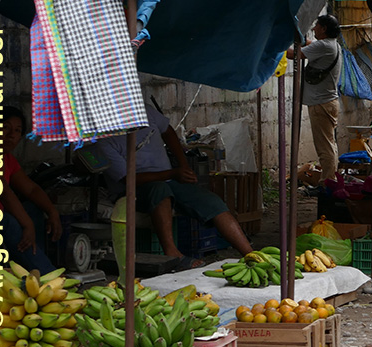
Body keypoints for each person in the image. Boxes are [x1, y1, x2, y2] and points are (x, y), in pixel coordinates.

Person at [96, 100, 254, 269]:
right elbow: (128, 179)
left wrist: (183, 164)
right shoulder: (104, 140)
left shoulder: (145, 111)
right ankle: (172, 253)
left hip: (170, 180)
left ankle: (251, 255)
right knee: (159, 190)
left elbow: (168, 131)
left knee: (211, 202)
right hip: (133, 191)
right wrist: (172, 173)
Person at [0, 106, 60, 273]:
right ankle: (47, 274)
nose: (11, 134)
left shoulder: (6, 158)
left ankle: (35, 268)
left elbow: (31, 189)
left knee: (33, 209)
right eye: (5, 127)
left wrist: (52, 212)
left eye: (17, 130)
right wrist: (28, 225)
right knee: (8, 222)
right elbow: (3, 192)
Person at [289, 14, 342, 181]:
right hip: (327, 103)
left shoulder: (325, 46)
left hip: (321, 104)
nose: (313, 29)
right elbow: (310, 44)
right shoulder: (332, 45)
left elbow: (293, 54)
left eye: (316, 26)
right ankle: (330, 180)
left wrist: (272, 44)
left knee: (324, 148)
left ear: (324, 29)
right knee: (329, 145)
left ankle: (328, 183)